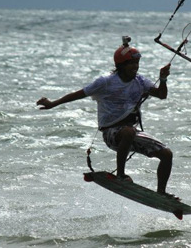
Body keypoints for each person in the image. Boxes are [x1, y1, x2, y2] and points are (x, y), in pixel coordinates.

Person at [37, 36, 173, 195]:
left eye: (136, 63)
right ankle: (121, 175)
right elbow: (78, 94)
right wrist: (52, 103)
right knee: (128, 132)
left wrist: (163, 79)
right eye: (131, 64)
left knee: (167, 154)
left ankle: (161, 193)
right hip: (111, 134)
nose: (135, 67)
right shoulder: (105, 81)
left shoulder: (141, 81)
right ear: (121, 65)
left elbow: (161, 95)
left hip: (131, 134)